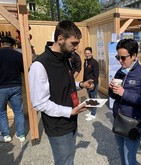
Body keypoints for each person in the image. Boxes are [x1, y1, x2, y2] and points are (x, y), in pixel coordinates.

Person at [28, 20, 94, 165]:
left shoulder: (65, 59)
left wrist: (81, 84)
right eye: (74, 43)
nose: (76, 48)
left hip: (71, 121)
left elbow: (63, 86)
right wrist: (69, 111)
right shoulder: (39, 65)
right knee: (64, 162)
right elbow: (39, 103)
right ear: (60, 39)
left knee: (69, 160)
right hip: (58, 126)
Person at [108, 39, 141, 165]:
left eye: (123, 58)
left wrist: (124, 93)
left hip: (134, 123)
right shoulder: (120, 71)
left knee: (130, 160)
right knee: (122, 155)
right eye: (118, 57)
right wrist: (112, 88)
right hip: (119, 119)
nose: (120, 61)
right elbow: (113, 96)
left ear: (134, 56)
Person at [0, 36, 25, 143]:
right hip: (16, 86)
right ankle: (21, 135)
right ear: (11, 45)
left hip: (1, 87)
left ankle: (6, 135)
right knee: (18, 111)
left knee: (1, 112)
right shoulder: (18, 55)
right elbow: (23, 70)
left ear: (2, 44)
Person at [83, 47, 99, 121]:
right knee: (90, 98)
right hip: (87, 84)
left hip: (93, 84)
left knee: (93, 98)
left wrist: (93, 84)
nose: (87, 55)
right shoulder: (85, 62)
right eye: (86, 53)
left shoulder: (94, 62)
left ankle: (93, 114)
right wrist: (84, 82)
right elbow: (85, 73)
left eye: (88, 53)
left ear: (91, 53)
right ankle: (92, 111)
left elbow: (96, 74)